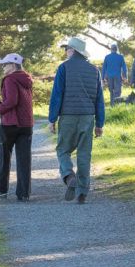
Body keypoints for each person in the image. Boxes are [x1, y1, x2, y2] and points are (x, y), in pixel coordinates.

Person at [48, 37, 104, 204]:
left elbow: (57, 95)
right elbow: (99, 99)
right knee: (84, 154)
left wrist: (52, 119)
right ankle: (82, 192)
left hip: (68, 115)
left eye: (67, 49)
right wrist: (99, 124)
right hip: (87, 117)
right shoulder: (95, 70)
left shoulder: (63, 68)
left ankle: (68, 176)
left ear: (73, 51)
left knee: (63, 149)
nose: (66, 52)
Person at [0, 53, 34, 202]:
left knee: (5, 156)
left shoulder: (9, 79)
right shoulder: (27, 79)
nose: (3, 67)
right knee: (24, 159)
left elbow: (11, 101)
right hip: (26, 124)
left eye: (5, 64)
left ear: (13, 65)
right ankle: (24, 193)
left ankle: (0, 189)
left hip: (10, 124)